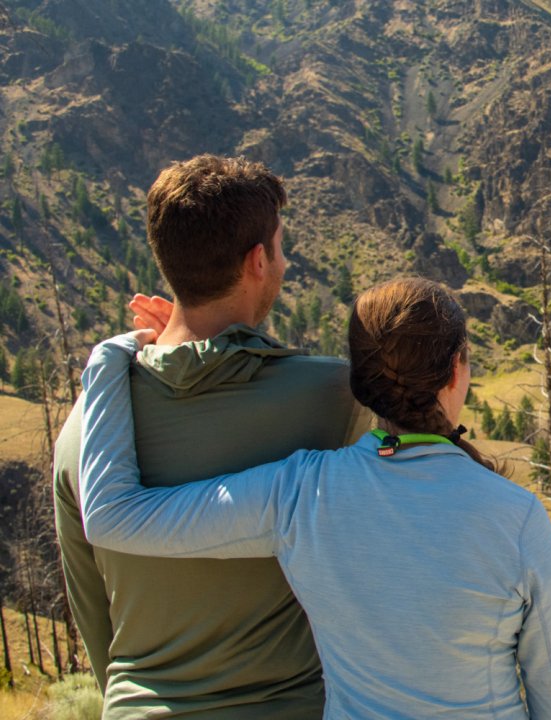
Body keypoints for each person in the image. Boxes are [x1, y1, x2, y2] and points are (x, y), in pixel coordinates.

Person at [77, 278, 551, 719]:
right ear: (456, 370)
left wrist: (114, 357)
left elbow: (113, 519)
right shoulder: (516, 519)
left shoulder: (301, 495)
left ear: (360, 384)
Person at [53, 155, 366, 717]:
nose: (286, 263)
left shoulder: (86, 426)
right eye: (280, 248)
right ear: (256, 262)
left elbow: (93, 612)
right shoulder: (333, 399)